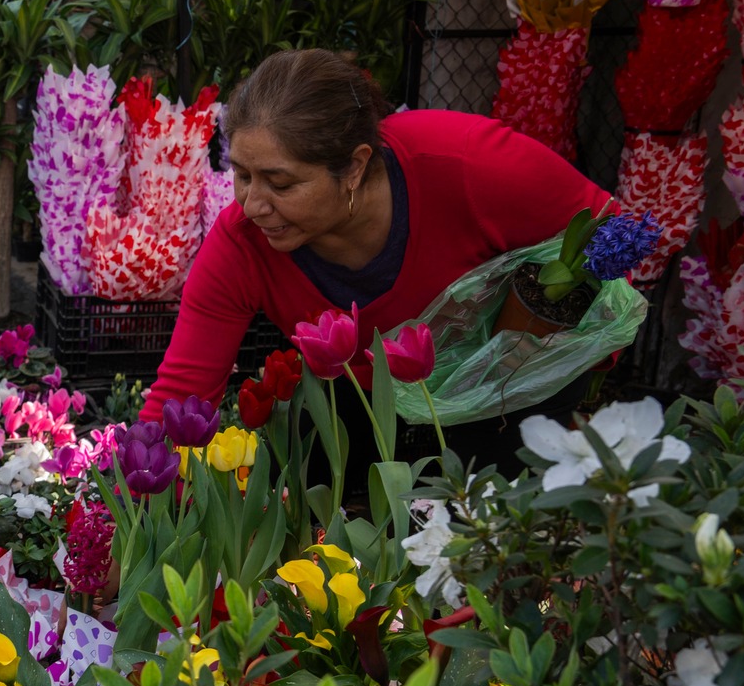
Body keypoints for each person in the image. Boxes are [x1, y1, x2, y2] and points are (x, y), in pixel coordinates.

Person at [141, 48, 613, 437]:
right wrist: (131, 503)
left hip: (507, 396)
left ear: (354, 166)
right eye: (243, 176)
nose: (251, 205)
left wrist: (566, 353)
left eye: (280, 184)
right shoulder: (242, 243)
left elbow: (610, 232)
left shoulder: (467, 164)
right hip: (360, 411)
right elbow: (181, 395)